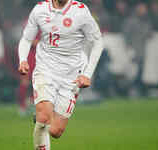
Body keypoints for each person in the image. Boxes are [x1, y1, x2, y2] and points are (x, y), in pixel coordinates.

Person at [18, 0, 103, 149]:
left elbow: (97, 42)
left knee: (56, 131)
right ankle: (42, 117)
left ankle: (40, 119)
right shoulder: (40, 9)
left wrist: (87, 74)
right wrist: (23, 59)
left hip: (72, 75)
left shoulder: (81, 11)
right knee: (44, 117)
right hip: (45, 69)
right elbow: (26, 39)